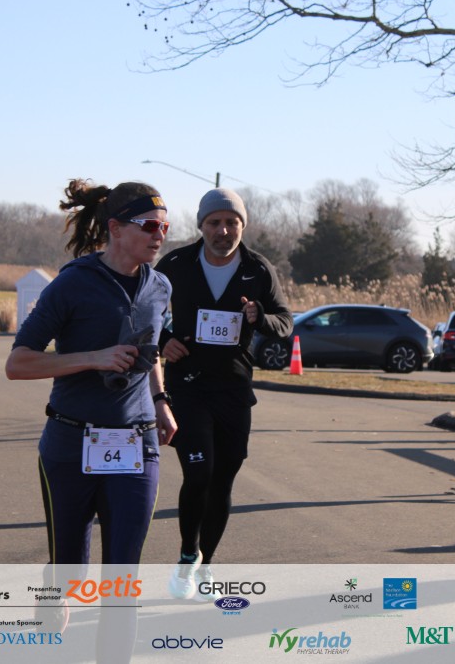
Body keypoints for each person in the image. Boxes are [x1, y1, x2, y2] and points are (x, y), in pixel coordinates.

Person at [5, 179, 176, 664]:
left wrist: (160, 400)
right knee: (72, 573)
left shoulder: (160, 286)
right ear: (116, 228)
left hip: (136, 444)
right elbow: (18, 363)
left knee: (122, 578)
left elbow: (150, 350)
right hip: (71, 442)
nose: (160, 235)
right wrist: (93, 357)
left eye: (165, 227)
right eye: (149, 225)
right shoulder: (73, 284)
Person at [155, 187, 293, 600]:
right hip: (188, 385)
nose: (223, 230)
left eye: (232, 222)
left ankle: (206, 563)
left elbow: (284, 322)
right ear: (202, 225)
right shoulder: (175, 264)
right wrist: (163, 340)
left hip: (233, 388)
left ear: (242, 226)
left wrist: (259, 317)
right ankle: (186, 557)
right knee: (199, 473)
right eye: (214, 222)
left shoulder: (258, 268)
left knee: (224, 478)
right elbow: (141, 312)